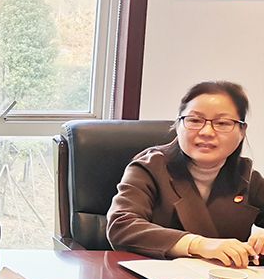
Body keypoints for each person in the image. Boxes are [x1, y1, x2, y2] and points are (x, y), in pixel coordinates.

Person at [107, 80, 264, 267]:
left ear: (242, 131)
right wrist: (198, 244)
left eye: (222, 123)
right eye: (195, 120)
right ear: (178, 125)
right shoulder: (150, 167)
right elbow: (121, 225)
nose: (207, 132)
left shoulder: (247, 177)